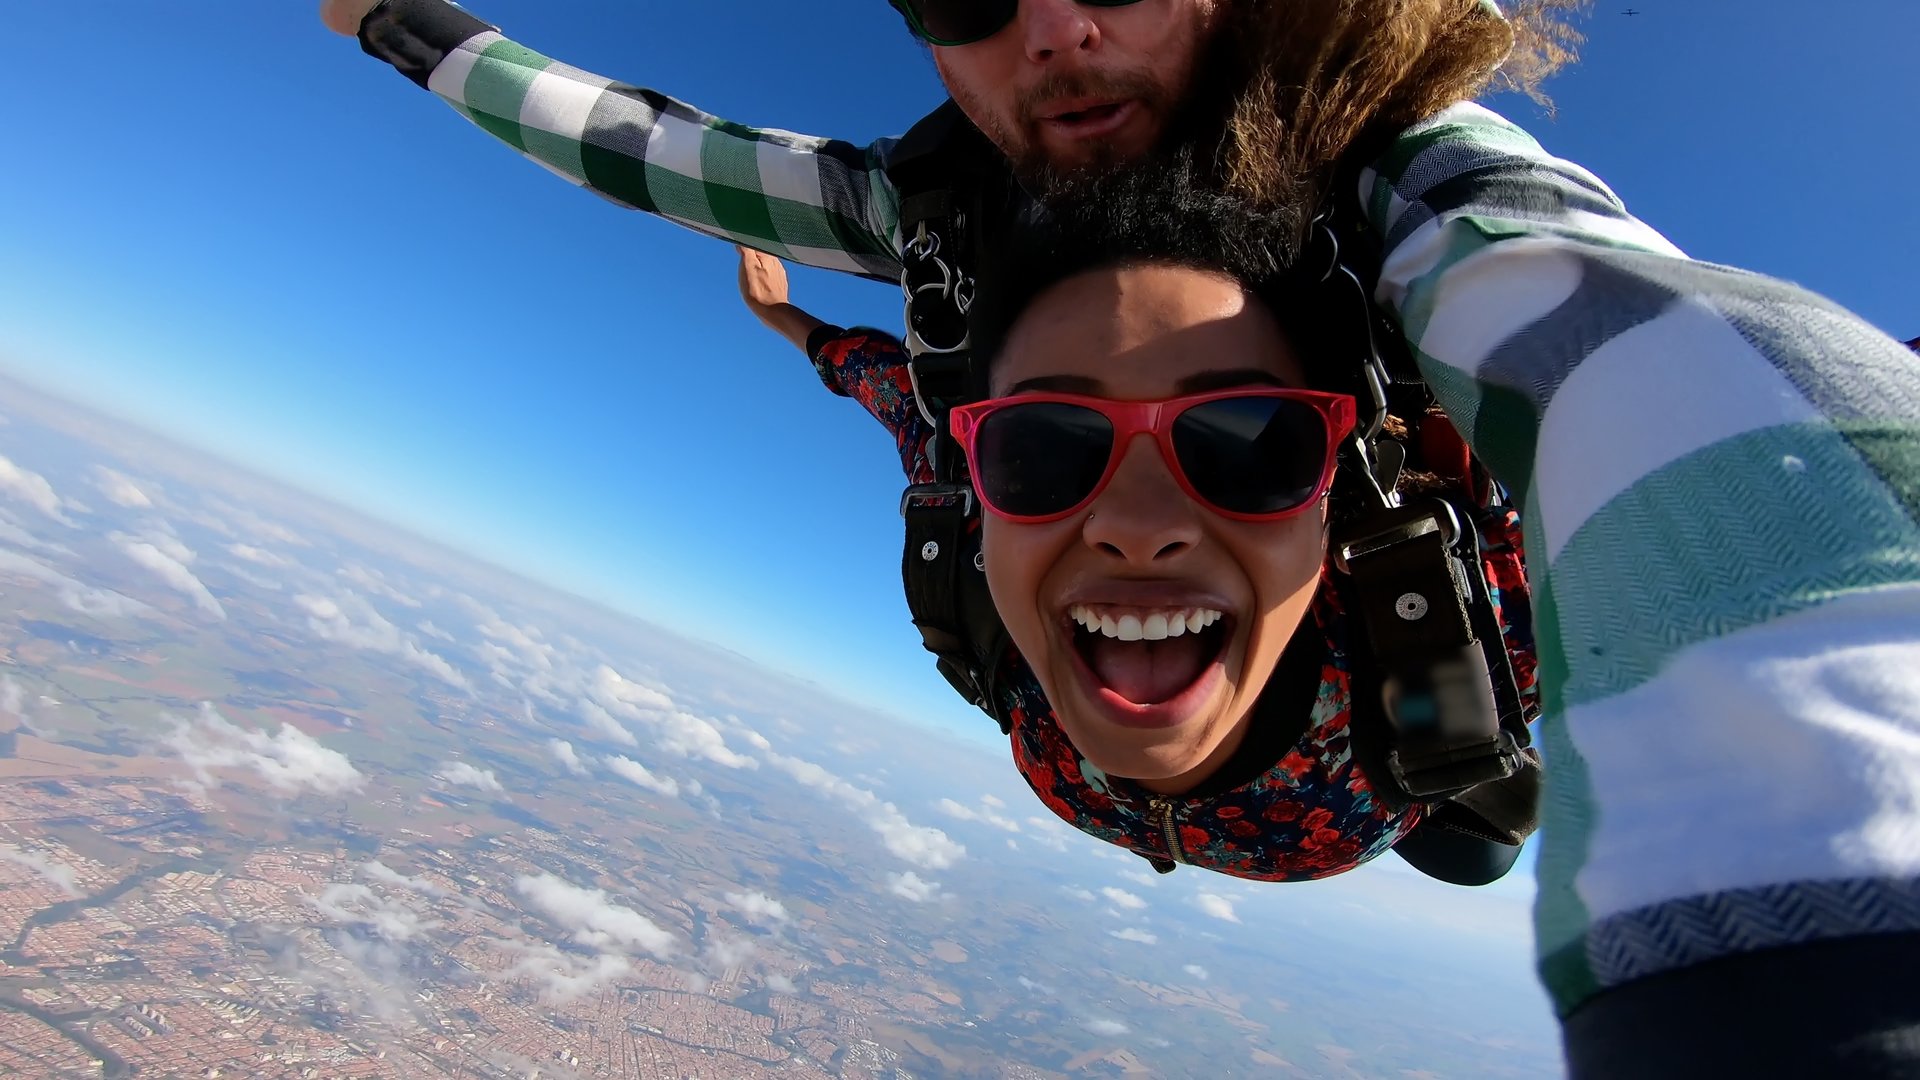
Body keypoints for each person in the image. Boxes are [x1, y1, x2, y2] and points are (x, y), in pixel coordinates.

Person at [328, 0, 1920, 1072]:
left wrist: (1815, 952)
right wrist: (401, 24)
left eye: (1241, 437)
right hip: (1110, 744)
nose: (1053, 27)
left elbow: (1659, 365)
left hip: (1354, 759)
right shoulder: (941, 253)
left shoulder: (1417, 202)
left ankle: (1451, 778)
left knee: (1470, 802)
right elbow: (665, 164)